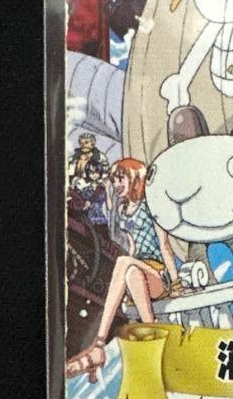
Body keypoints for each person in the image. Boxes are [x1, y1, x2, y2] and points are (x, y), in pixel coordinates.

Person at [65, 158, 180, 382]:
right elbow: (132, 249)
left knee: (124, 263)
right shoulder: (122, 210)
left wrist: (176, 284)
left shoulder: (151, 207)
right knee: (129, 269)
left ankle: (98, 344)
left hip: (159, 275)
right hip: (137, 273)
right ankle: (151, 337)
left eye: (121, 179)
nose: (116, 185)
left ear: (136, 179)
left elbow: (164, 246)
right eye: (114, 180)